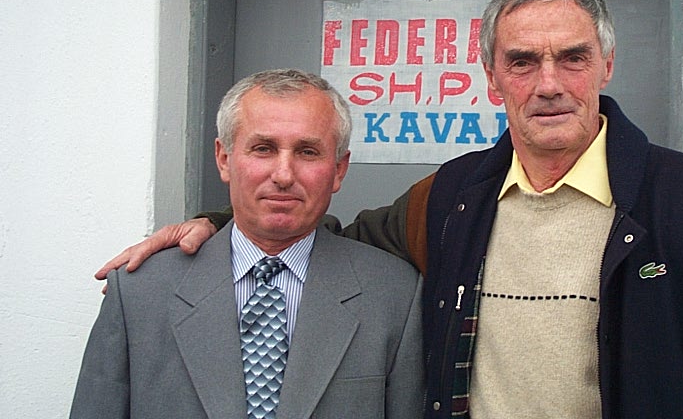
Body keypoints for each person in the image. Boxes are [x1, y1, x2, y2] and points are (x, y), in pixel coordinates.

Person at [98, 0, 683, 418]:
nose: (550, 82)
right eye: (522, 61)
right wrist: (219, 224)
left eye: (572, 56)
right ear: (491, 77)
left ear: (606, 63)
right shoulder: (449, 201)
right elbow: (320, 234)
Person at [74, 69, 424, 419]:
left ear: (339, 170)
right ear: (224, 158)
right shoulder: (140, 292)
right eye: (263, 148)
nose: (284, 175)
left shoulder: (395, 295)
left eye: (307, 152)